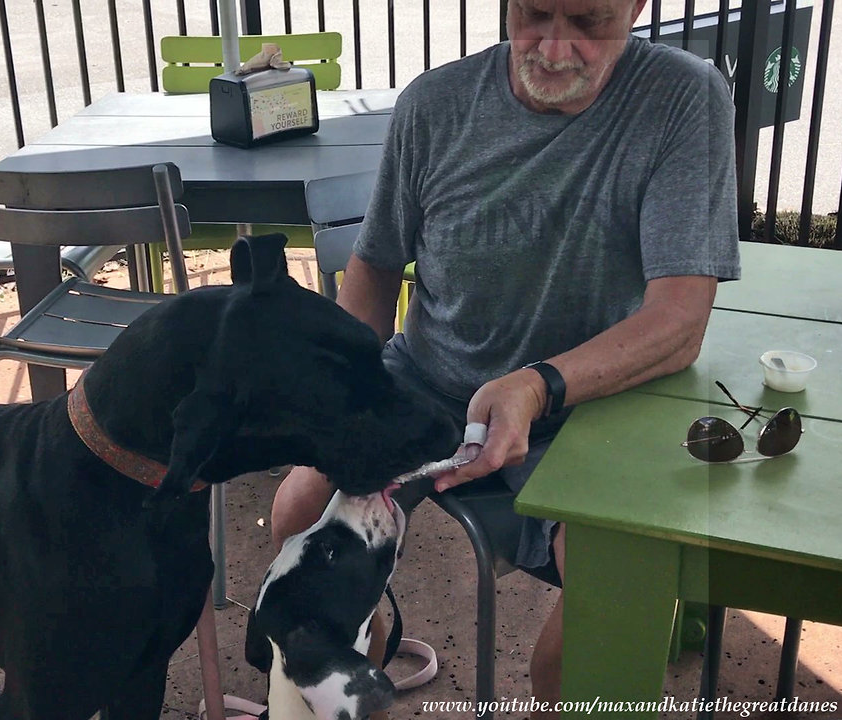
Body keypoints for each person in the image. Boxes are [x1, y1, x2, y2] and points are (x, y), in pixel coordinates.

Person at [271, 0, 740, 715]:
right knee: (302, 509)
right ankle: (357, 670)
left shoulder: (683, 96)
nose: (554, 48)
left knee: (609, 588)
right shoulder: (435, 103)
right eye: (535, 13)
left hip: (592, 407)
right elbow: (373, 269)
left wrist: (539, 385)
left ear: (638, 6)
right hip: (427, 385)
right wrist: (339, 394)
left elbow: (679, 320)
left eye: (589, 22)